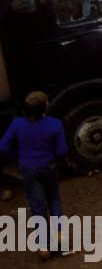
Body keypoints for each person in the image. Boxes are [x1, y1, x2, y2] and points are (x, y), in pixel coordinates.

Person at [0, 92, 69, 259]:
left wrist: (18, 156)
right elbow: (62, 150)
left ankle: (43, 245)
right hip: (49, 167)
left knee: (37, 206)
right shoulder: (55, 124)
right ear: (45, 106)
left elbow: (3, 146)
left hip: (28, 168)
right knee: (54, 200)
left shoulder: (17, 124)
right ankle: (61, 238)